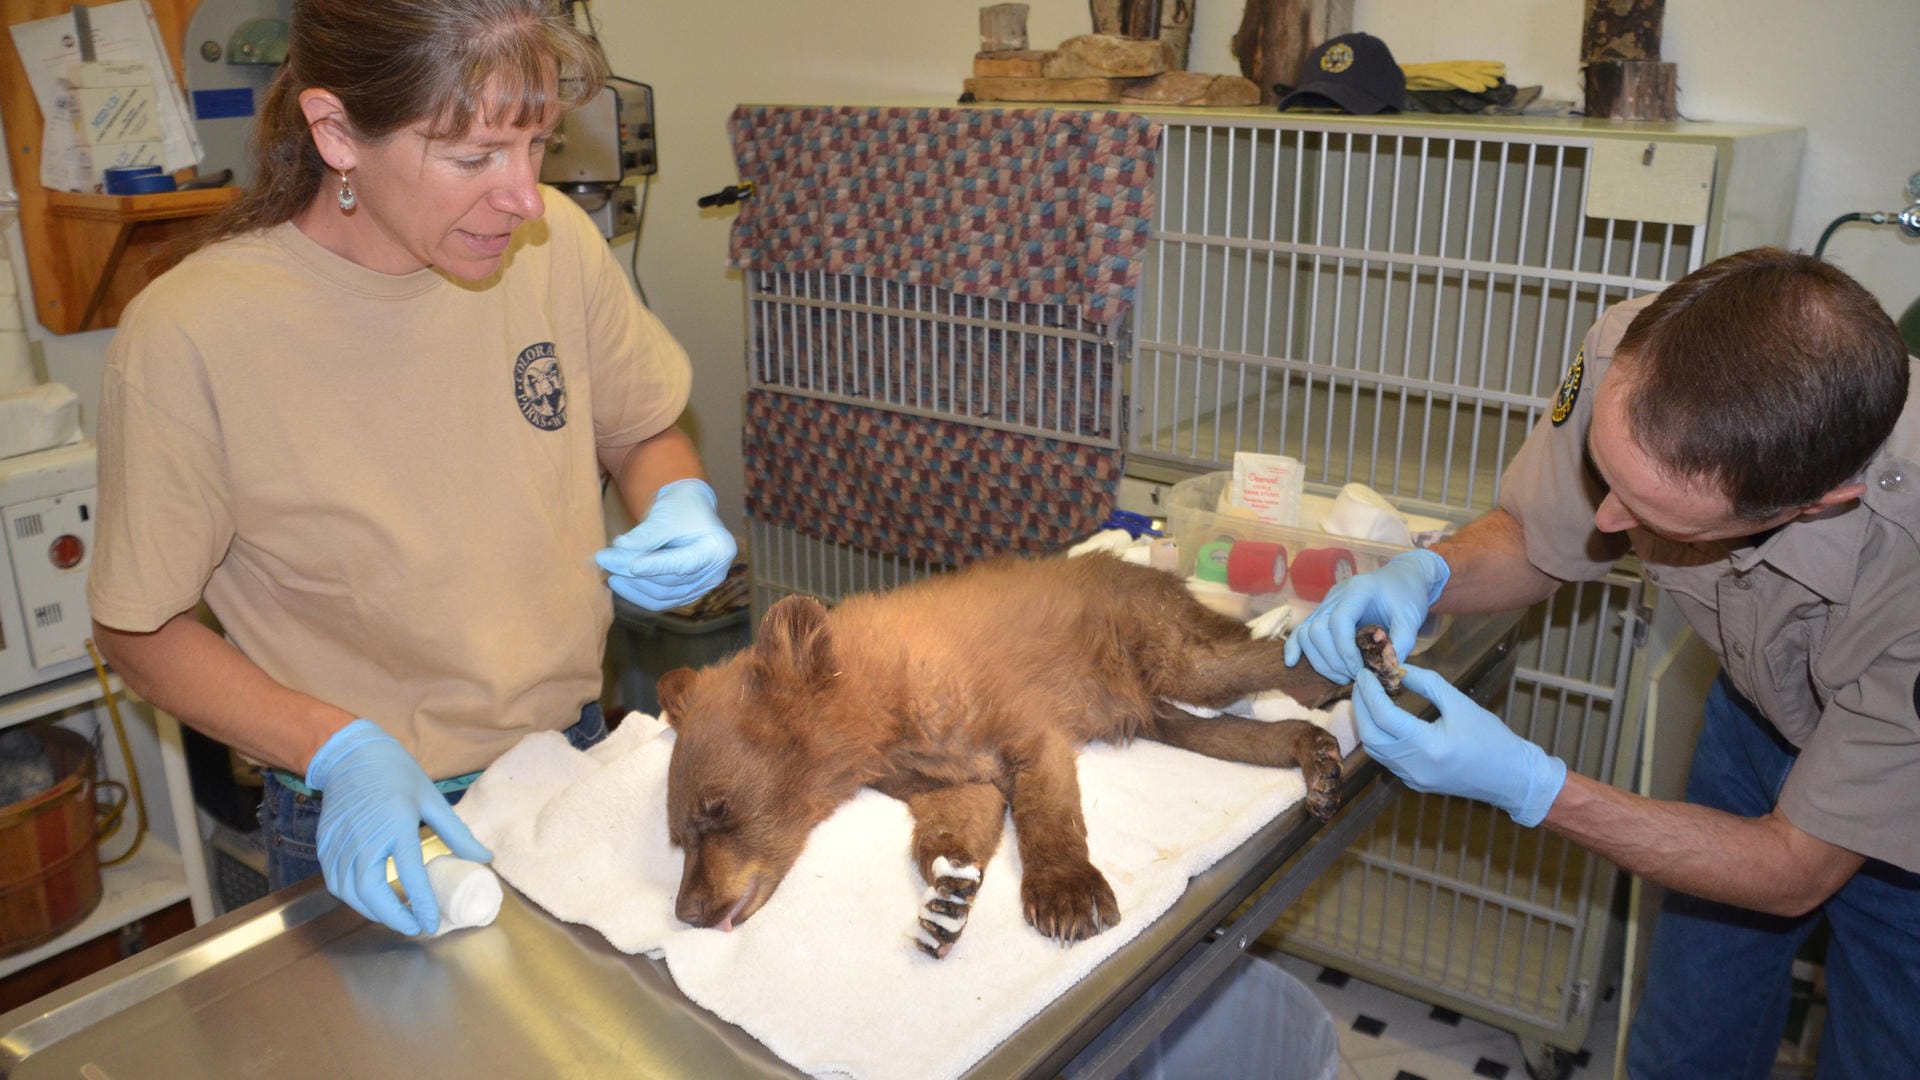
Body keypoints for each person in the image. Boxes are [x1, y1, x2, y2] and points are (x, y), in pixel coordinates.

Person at [86, 0, 735, 939]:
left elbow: (639, 431)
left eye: (537, 145)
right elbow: (138, 626)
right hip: (367, 814)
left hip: (570, 762)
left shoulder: (551, 247)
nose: (520, 195)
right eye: (472, 158)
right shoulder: (193, 332)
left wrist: (677, 494)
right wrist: (337, 750)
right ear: (337, 132)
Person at [1284, 247, 1919, 1079]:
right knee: (1685, 1040)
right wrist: (1426, 573)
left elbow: (1795, 867)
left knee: (1886, 1050)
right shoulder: (1632, 345)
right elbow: (1541, 537)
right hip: (1758, 717)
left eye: (1660, 517)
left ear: (1813, 504)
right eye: (1608, 477)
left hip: (1901, 798)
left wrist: (1531, 785)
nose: (1610, 523)